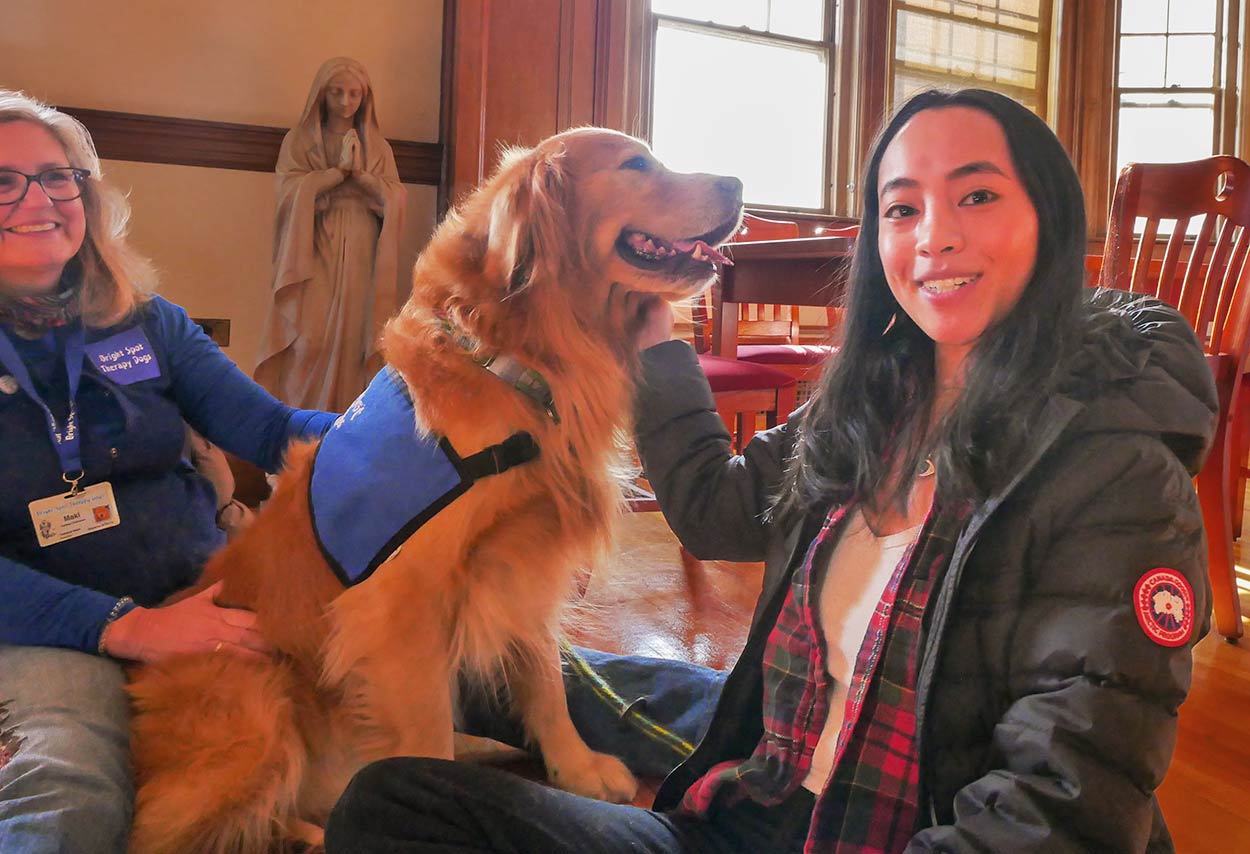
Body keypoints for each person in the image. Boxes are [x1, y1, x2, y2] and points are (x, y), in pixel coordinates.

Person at [324, 88, 1217, 853]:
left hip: (896, 829)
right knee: (391, 801)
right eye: (902, 208)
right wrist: (658, 349)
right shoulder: (875, 402)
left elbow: (1062, 802)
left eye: (976, 195)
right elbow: (720, 510)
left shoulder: (1115, 470)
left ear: (1050, 220)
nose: (935, 237)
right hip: (756, 801)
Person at [0, 89, 337, 854]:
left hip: (206, 583)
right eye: (3, 181)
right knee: (71, 785)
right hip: (49, 625)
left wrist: (393, 433)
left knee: (459, 656)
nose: (39, 200)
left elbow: (274, 429)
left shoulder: (145, 318)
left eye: (59, 178)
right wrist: (128, 628)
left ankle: (676, 724)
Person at [254, 56, 408, 412]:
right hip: (312, 248)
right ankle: (298, 431)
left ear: (365, 97)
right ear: (321, 95)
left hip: (361, 251)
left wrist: (365, 180)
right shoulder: (299, 141)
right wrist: (335, 175)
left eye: (354, 94)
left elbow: (395, 198)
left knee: (356, 342)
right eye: (336, 92)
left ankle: (345, 429)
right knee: (309, 341)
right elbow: (288, 193)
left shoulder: (378, 148)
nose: (345, 102)